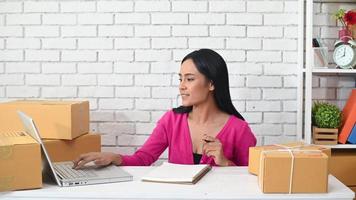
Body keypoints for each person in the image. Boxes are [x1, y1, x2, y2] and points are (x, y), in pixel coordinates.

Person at [73, 49, 256, 169]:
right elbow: (144, 158)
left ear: (211, 84)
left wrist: (225, 162)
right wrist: (114, 157)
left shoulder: (239, 130)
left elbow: (251, 180)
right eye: (180, 78)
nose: (182, 86)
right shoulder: (172, 120)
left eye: (190, 79)